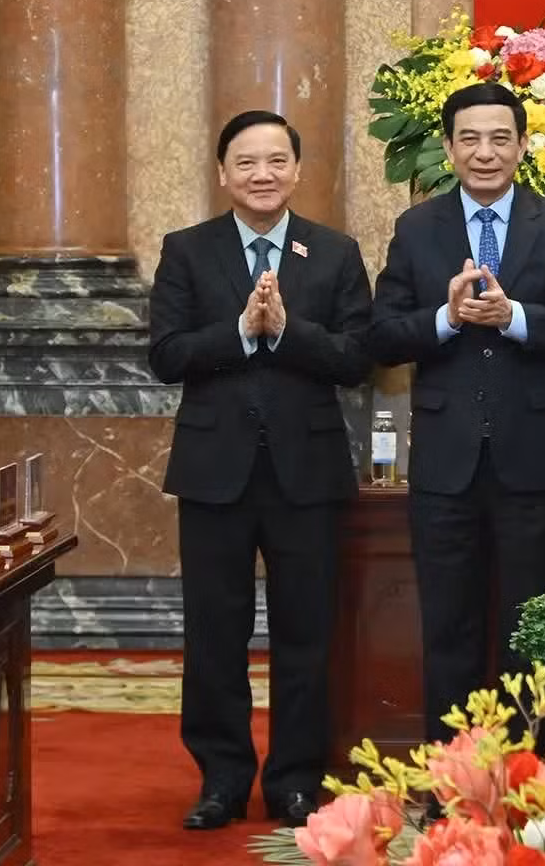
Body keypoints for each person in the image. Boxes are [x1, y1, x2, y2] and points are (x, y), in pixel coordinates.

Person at [148, 110, 374, 831]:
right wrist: (241, 333)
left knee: (307, 632)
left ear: (297, 170)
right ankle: (221, 779)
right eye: (247, 162)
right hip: (214, 471)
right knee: (214, 632)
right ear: (223, 174)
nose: (263, 174)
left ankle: (296, 780)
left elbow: (356, 358)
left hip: (307, 473)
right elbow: (167, 356)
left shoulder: (334, 253)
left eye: (277, 161)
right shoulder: (187, 251)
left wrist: (288, 332)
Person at [367, 82, 545, 743]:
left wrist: (516, 317)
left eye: (500, 138)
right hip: (446, 465)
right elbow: (381, 335)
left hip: (534, 462)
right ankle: (455, 774)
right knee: (449, 627)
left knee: (532, 629)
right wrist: (444, 318)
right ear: (447, 147)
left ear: (523, 145)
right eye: (469, 138)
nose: (485, 152)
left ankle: (529, 769)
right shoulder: (417, 229)